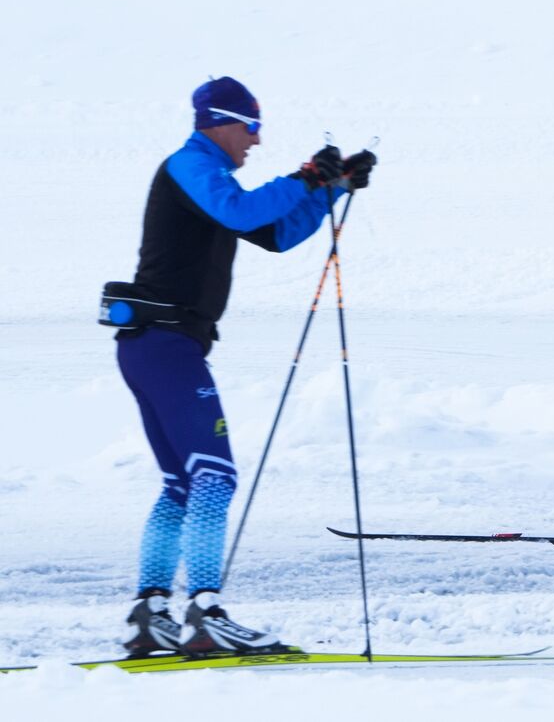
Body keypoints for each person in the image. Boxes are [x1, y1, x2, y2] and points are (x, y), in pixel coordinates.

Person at [106, 77, 376, 657]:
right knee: (214, 477)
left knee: (183, 483)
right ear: (220, 122)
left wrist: (330, 188)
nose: (256, 140)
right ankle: (205, 613)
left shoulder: (212, 179)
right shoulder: (189, 166)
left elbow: (274, 233)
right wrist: (307, 177)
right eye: (251, 127)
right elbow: (240, 209)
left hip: (158, 346)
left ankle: (150, 614)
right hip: (163, 345)